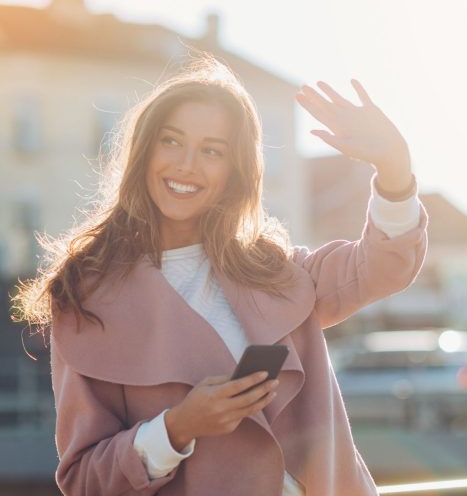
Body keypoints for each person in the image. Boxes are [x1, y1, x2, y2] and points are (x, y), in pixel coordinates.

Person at [12, 55, 428, 495]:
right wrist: (175, 428)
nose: (187, 165)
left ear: (235, 171)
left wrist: (395, 170)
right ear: (143, 150)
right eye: (171, 142)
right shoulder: (86, 297)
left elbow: (384, 265)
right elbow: (83, 481)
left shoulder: (276, 269)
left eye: (212, 150)